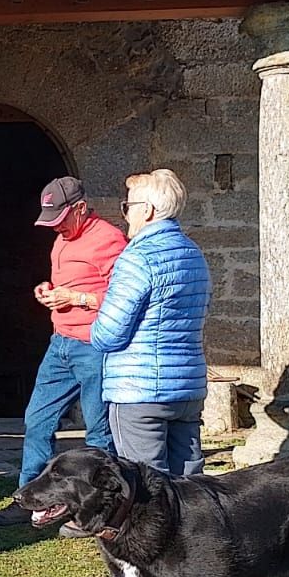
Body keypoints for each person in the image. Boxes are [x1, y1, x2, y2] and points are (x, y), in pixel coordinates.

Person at [0, 176, 126, 532]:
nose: (57, 227)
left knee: (97, 431)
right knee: (37, 419)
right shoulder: (61, 242)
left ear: (80, 208)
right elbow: (73, 285)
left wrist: (76, 299)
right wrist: (49, 291)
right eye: (50, 220)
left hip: (94, 346)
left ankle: (101, 510)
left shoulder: (110, 239)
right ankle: (28, 497)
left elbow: (124, 297)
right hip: (60, 344)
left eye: (61, 218)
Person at [91, 169, 212, 476]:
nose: (126, 214)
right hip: (187, 386)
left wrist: (96, 322)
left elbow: (109, 334)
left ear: (147, 210)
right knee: (190, 487)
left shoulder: (138, 256)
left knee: (148, 485)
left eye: (128, 206)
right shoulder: (193, 253)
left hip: (140, 389)